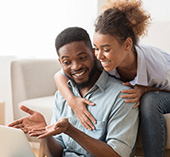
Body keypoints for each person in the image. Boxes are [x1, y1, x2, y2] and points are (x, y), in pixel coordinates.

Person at [54, 1, 170, 157]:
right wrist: (72, 100)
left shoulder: (158, 68)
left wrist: (145, 89)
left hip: (165, 89)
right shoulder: (100, 59)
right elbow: (59, 75)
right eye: (96, 48)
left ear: (127, 44)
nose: (99, 55)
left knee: (149, 101)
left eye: (106, 49)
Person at [9, 27, 139, 157]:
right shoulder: (62, 96)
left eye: (82, 58)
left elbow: (117, 155)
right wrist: (45, 133)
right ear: (60, 62)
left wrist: (71, 130)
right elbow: (56, 153)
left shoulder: (122, 96)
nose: (76, 66)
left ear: (94, 54)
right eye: (67, 62)